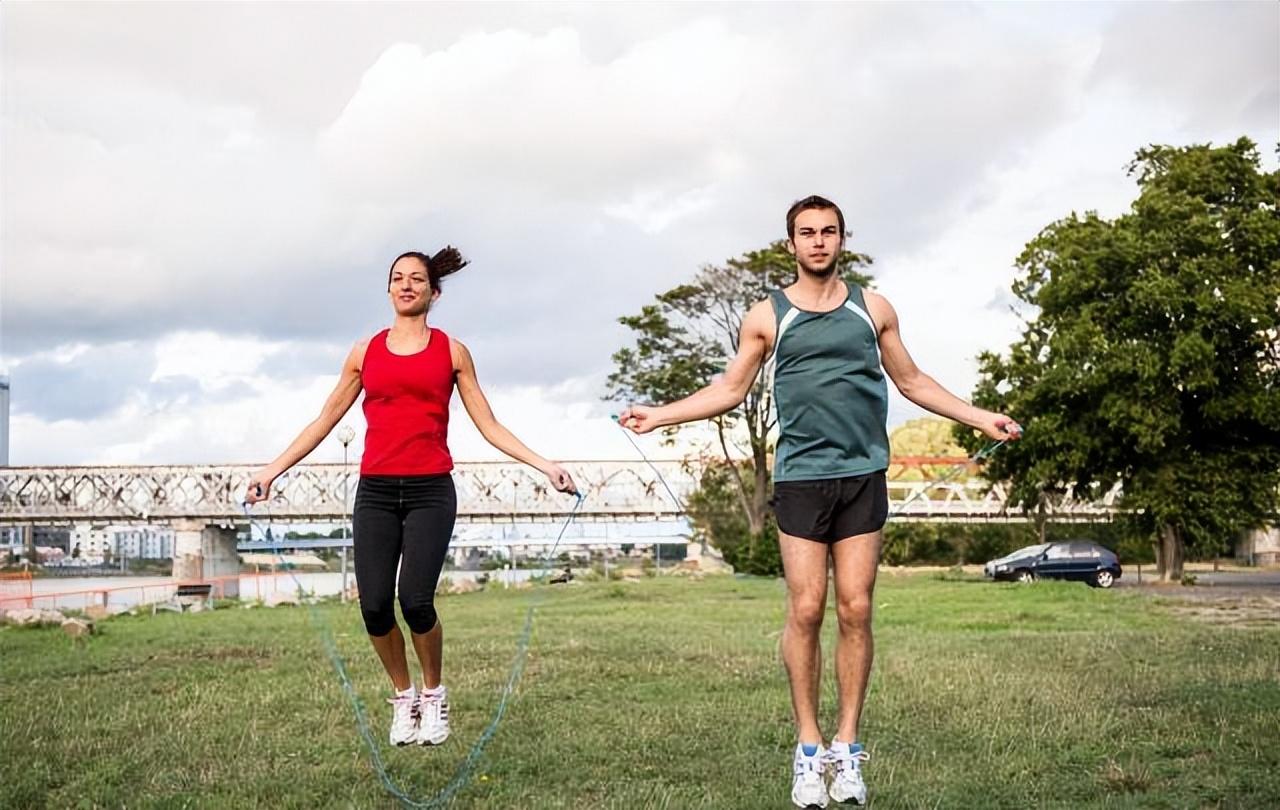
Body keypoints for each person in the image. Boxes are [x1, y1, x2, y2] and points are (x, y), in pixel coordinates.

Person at [620, 196, 1020, 807]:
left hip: (863, 474)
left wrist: (978, 417)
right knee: (806, 609)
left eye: (828, 232)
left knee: (856, 608)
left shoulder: (872, 308)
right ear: (791, 244)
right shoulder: (767, 316)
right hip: (802, 479)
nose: (818, 241)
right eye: (806, 233)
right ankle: (808, 748)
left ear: (842, 239)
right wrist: (659, 414)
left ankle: (846, 747)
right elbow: (730, 389)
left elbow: (911, 381)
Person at [246, 248, 577, 747]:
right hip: (375, 492)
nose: (406, 285)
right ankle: (404, 700)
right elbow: (324, 421)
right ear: (388, 290)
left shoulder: (452, 352)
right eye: (397, 278)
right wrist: (272, 471)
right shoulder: (364, 353)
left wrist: (545, 465)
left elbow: (488, 425)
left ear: (433, 292)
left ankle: (434, 694)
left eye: (416, 279)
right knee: (375, 607)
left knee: (415, 601)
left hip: (430, 491)